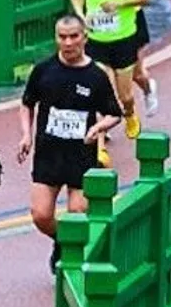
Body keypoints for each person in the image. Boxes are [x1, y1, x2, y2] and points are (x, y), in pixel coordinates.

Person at [18, 15, 124, 269]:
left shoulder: (96, 75)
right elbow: (27, 104)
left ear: (85, 37)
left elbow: (115, 114)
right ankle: (62, 241)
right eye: (62, 37)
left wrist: (98, 127)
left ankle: (73, 265)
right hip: (48, 154)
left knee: (78, 214)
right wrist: (26, 134)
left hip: (81, 156)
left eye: (74, 36)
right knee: (41, 215)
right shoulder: (44, 70)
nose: (68, 42)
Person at [70, 0, 159, 136]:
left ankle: (130, 112)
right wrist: (81, 15)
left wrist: (119, 3)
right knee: (102, 89)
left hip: (125, 35)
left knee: (126, 93)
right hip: (97, 38)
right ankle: (102, 132)